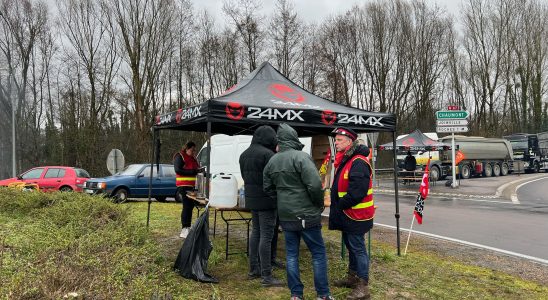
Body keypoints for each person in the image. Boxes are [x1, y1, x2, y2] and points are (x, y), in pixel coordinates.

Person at [263, 123, 334, 300]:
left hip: (286, 215)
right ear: (294, 138)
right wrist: (318, 204)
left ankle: (296, 295)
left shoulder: (272, 160)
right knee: (318, 253)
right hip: (307, 214)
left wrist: (282, 200)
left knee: (291, 254)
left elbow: (267, 187)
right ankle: (323, 295)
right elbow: (315, 185)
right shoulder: (302, 157)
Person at [328, 127, 374, 300]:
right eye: (336, 139)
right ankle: (352, 278)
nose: (336, 142)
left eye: (339, 140)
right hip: (348, 213)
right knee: (351, 246)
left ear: (349, 142)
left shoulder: (358, 162)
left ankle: (363, 287)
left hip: (356, 214)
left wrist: (340, 204)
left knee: (358, 248)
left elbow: (357, 192)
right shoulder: (348, 159)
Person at [239, 125, 284, 287]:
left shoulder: (244, 155)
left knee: (256, 234)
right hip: (267, 202)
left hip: (252, 201)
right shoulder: (269, 155)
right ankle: (267, 276)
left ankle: (254, 270)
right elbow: (275, 180)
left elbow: (245, 177)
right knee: (266, 236)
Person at [174, 141, 201, 239]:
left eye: (194, 150)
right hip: (183, 185)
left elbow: (196, 169)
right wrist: (192, 171)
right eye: (192, 150)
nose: (194, 152)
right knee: (186, 206)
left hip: (192, 186)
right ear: (187, 148)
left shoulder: (193, 158)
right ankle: (184, 228)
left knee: (190, 207)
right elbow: (178, 170)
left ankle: (188, 227)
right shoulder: (179, 156)